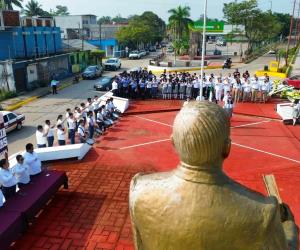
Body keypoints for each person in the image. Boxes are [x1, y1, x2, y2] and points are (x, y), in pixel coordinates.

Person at [129, 101, 299, 250]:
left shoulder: (140, 190)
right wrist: (289, 227)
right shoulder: (263, 212)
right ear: (227, 148)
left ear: (173, 143)